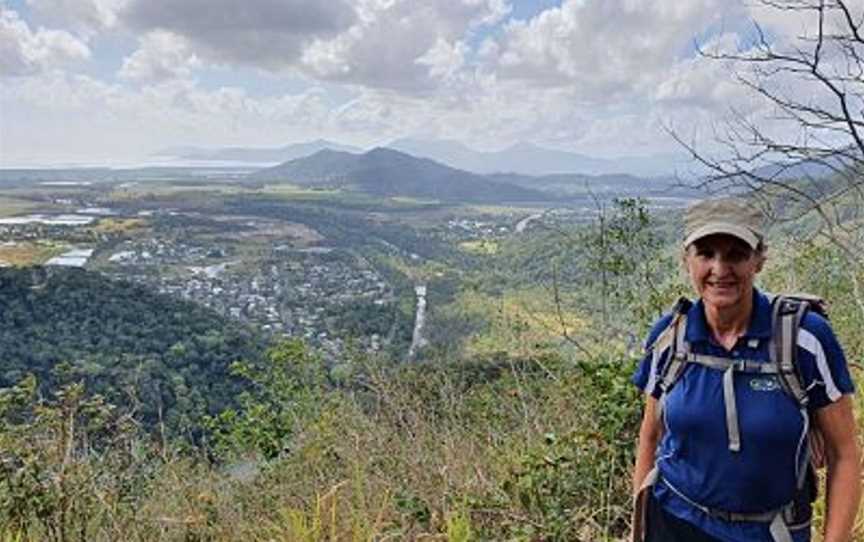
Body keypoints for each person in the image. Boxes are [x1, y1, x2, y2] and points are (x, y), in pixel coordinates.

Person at [630, 199, 861, 542]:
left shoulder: (802, 339)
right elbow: (651, 435)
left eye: (736, 254)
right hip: (673, 521)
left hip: (769, 530)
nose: (720, 269)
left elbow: (844, 454)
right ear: (686, 260)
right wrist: (640, 527)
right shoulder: (670, 337)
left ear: (759, 260)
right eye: (706, 253)